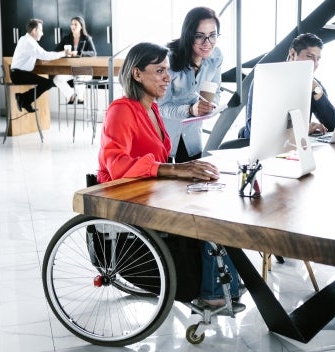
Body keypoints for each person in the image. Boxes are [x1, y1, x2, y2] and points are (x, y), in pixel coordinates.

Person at [97, 42, 245, 312]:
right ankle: (213, 290)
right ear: (137, 74)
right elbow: (116, 164)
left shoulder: (152, 108)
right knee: (205, 214)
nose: (168, 77)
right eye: (160, 71)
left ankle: (225, 280)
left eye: (168, 70)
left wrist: (187, 172)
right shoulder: (121, 110)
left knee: (217, 197)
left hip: (151, 190)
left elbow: (159, 159)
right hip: (128, 197)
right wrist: (175, 170)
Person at [241, 33, 335, 139]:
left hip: (295, 147)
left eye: (318, 59)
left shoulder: (314, 85)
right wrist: (300, 129)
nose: (314, 64)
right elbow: (254, 130)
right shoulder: (266, 79)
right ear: (292, 54)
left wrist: (317, 90)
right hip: (259, 145)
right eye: (310, 56)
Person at [158, 7, 222, 162]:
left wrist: (210, 105)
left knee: (193, 183)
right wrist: (190, 110)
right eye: (200, 36)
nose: (207, 43)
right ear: (188, 35)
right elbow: (161, 108)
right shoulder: (168, 60)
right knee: (165, 186)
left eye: (212, 36)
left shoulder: (216, 56)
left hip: (192, 139)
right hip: (164, 139)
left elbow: (215, 93)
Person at [10, 18, 66, 113]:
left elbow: (41, 54)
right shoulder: (29, 42)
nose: (42, 33)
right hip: (19, 75)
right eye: (41, 30)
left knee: (47, 83)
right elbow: (45, 54)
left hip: (19, 74)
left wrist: (40, 58)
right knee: (48, 83)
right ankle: (23, 98)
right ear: (35, 30)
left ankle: (24, 100)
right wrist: (63, 53)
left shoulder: (27, 40)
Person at [53, 16, 97, 104]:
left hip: (84, 70)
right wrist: (64, 52)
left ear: (81, 26)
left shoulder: (87, 38)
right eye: (72, 24)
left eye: (75, 24)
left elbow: (93, 53)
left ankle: (80, 98)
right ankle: (71, 95)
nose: (73, 26)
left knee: (79, 78)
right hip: (70, 70)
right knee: (57, 79)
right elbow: (56, 50)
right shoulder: (66, 38)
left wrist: (79, 53)